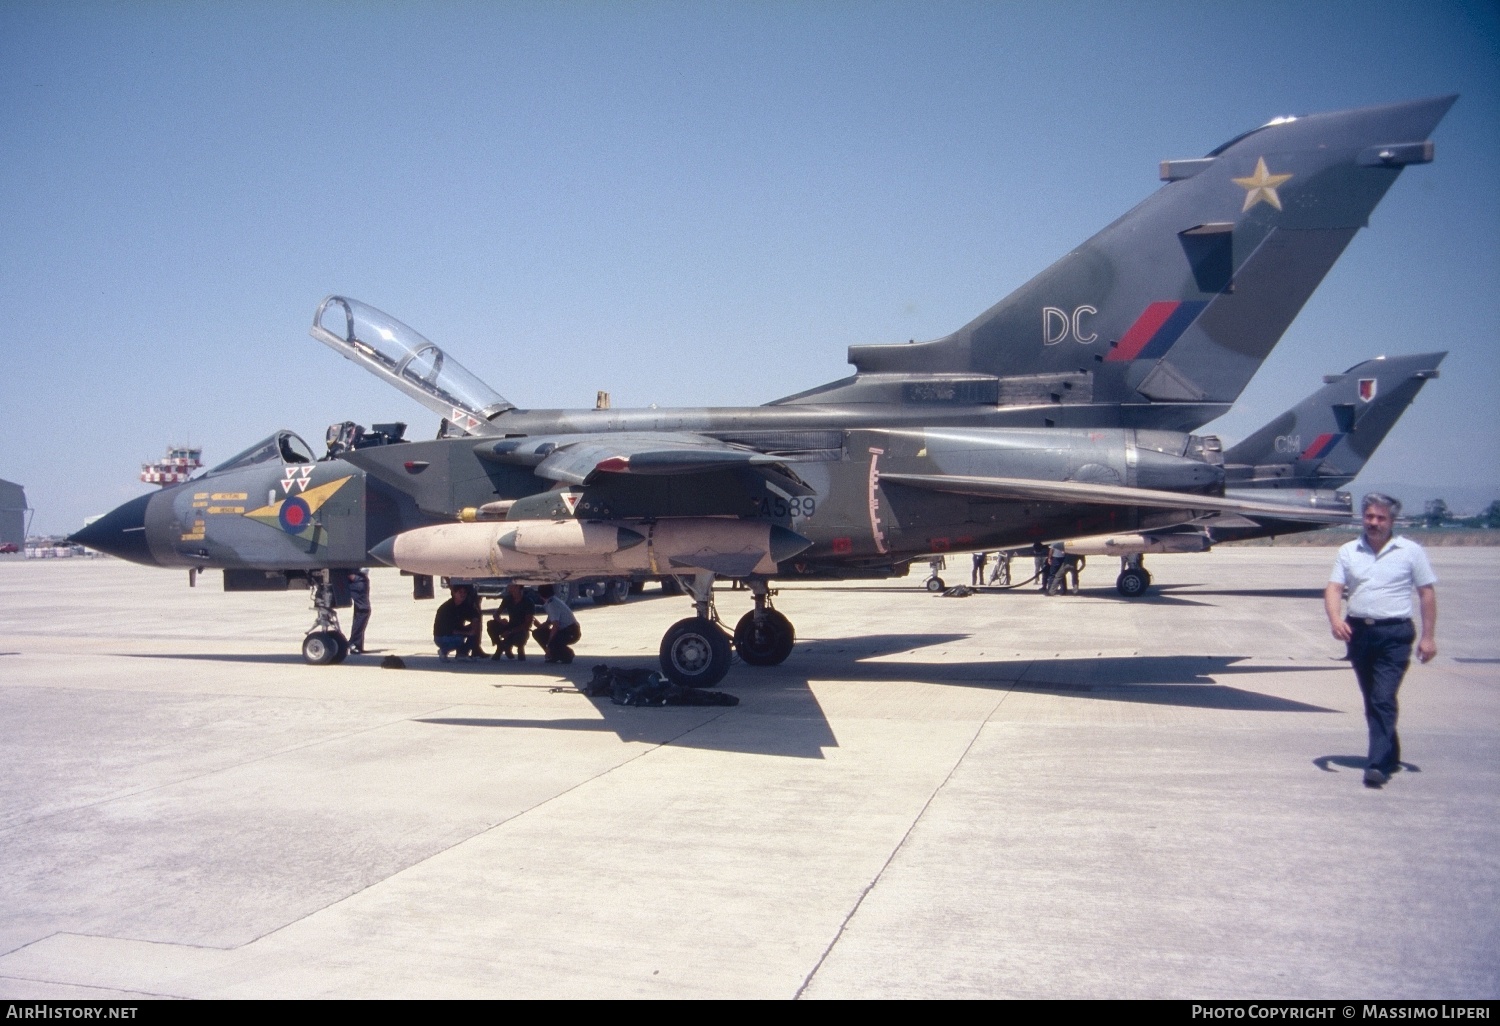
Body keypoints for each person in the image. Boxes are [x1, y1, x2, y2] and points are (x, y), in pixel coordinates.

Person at [1324, 493, 1438, 788]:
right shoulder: (1349, 551)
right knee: (1373, 698)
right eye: (1369, 516)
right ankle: (1391, 751)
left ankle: (1376, 765)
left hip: (1395, 635)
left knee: (1382, 698)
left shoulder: (1410, 551)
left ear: (1392, 521)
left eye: (1380, 518)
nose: (1373, 523)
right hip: (1359, 633)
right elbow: (1334, 588)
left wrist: (1428, 637)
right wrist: (1336, 620)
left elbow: (1426, 593)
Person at [487, 582, 537, 661]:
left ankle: (515, 648)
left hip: (521, 629)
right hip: (510, 625)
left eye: (510, 585)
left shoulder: (528, 602)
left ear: (517, 587)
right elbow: (496, 614)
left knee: (520, 637)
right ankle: (501, 645)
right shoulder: (508, 599)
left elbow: (528, 624)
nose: (508, 586)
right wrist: (500, 620)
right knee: (491, 624)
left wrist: (510, 632)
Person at [433, 584, 483, 661]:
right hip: (442, 636)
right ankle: (443, 651)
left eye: (464, 593)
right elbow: (450, 630)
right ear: (454, 593)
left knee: (475, 630)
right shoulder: (447, 608)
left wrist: (474, 623)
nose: (462, 595)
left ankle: (462, 654)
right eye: (460, 592)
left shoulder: (464, 605)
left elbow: (474, 615)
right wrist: (468, 633)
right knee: (459, 639)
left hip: (456, 632)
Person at [535, 585, 581, 664]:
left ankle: (568, 654)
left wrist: (549, 644)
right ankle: (554, 655)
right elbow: (549, 622)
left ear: (540, 595)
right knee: (538, 633)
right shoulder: (552, 601)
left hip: (571, 631)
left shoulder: (552, 604)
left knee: (553, 643)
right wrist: (539, 626)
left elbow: (555, 626)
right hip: (564, 630)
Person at [346, 568, 370, 655]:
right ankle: (354, 643)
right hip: (357, 577)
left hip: (360, 577)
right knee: (363, 610)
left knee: (360, 612)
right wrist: (353, 576)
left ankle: (357, 645)